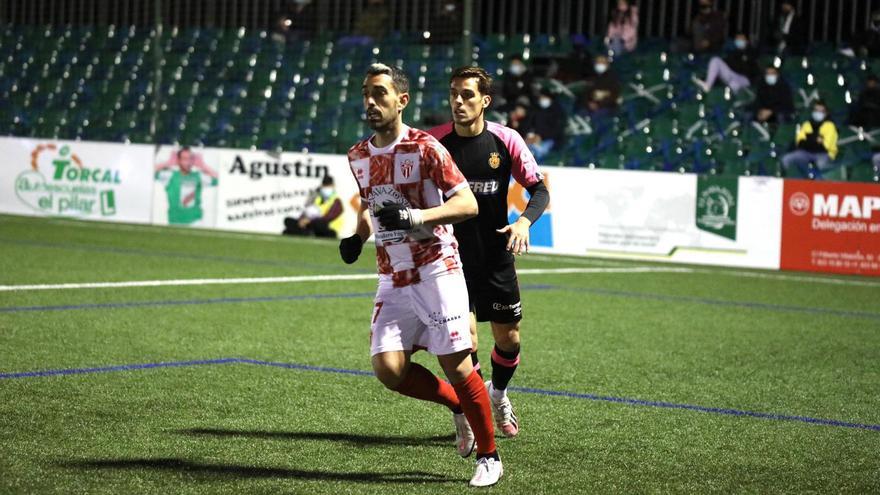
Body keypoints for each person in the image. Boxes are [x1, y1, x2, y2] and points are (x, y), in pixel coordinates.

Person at [337, 63, 502, 487]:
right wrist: (357, 237)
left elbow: (468, 204)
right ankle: (457, 408)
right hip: (392, 273)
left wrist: (416, 216)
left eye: (379, 94)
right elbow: (370, 202)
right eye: (366, 95)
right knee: (389, 370)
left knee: (459, 365)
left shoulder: (426, 148)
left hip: (436, 267)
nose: (371, 103)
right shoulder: (357, 155)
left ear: (401, 101)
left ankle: (489, 456)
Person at [429, 66, 549, 440]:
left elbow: (539, 190)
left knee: (508, 339)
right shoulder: (433, 142)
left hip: (496, 256)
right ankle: (472, 408)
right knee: (466, 341)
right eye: (454, 94)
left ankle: (498, 394)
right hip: (451, 260)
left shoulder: (506, 139)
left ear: (485, 101)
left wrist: (525, 222)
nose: (459, 101)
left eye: (467, 95)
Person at [154, 147, 218, 226]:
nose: (188, 162)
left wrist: (203, 166)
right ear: (178, 160)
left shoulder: (198, 176)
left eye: (190, 159)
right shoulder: (170, 175)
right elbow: (149, 172)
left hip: (195, 221)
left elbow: (219, 180)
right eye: (185, 159)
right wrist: (168, 162)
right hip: (175, 220)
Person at [781, 101, 838, 177]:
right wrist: (816, 140)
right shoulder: (806, 124)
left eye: (821, 111)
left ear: (826, 113)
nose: (818, 113)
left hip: (824, 154)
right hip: (806, 152)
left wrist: (809, 139)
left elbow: (824, 147)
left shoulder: (830, 126)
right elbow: (800, 142)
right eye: (816, 110)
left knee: (821, 165)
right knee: (786, 159)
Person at [693, 33, 759, 94]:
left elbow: (751, 71)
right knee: (715, 60)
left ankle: (734, 102)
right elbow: (724, 65)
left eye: (741, 39)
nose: (739, 41)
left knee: (733, 84)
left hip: (744, 79)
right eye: (738, 39)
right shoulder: (733, 52)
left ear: (747, 41)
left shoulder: (751, 52)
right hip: (732, 75)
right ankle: (708, 84)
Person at [519, 89, 566, 162]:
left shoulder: (557, 111)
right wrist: (527, 135)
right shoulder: (534, 109)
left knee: (539, 152)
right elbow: (527, 124)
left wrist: (541, 136)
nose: (542, 99)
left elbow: (557, 130)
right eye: (541, 97)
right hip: (531, 139)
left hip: (550, 141)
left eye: (544, 97)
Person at [581, 54, 622, 119]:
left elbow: (615, 95)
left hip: (607, 109)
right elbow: (585, 93)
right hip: (589, 108)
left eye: (602, 62)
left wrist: (599, 105)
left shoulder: (613, 78)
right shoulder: (591, 77)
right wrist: (588, 103)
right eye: (598, 62)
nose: (600, 64)